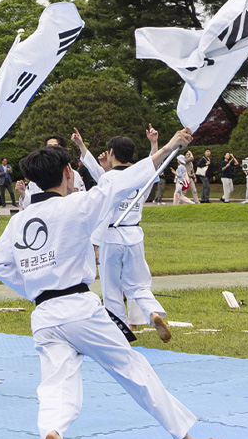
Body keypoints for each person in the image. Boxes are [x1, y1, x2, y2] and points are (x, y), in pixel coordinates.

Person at [0, 128, 216, 439]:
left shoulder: (18, 220)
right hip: (80, 308)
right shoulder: (77, 204)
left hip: (44, 315)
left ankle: (53, 431)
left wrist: (32, 288)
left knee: (56, 385)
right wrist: (171, 146)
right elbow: (126, 180)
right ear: (67, 174)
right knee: (133, 370)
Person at [73, 126, 173, 341]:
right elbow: (153, 165)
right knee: (138, 284)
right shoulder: (140, 177)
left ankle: (118, 333)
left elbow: (104, 208)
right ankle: (152, 312)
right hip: (134, 234)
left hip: (112, 236)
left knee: (112, 288)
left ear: (110, 153)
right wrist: (154, 144)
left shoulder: (109, 180)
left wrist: (95, 244)